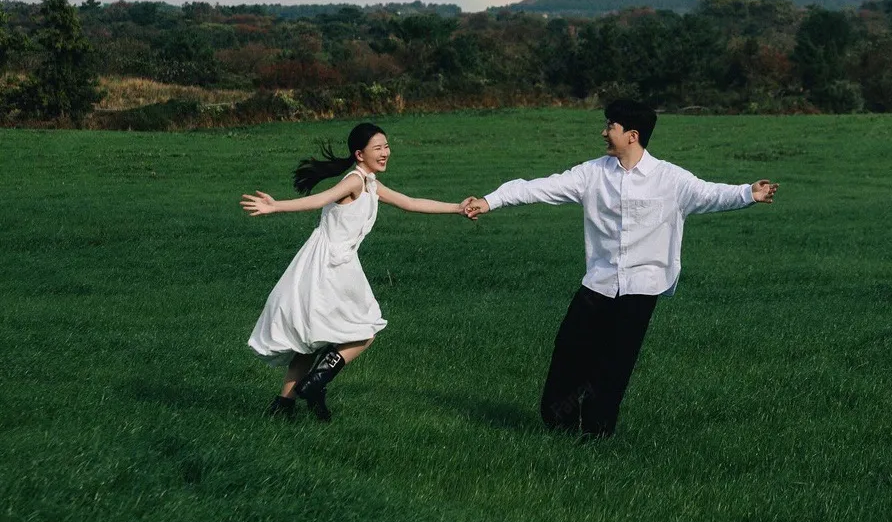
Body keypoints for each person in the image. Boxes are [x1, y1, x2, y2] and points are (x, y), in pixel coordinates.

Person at [464, 99, 778, 439]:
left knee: (616, 363)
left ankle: (597, 433)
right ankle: (558, 420)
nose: (603, 132)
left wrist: (749, 193)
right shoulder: (591, 174)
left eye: (609, 126)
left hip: (642, 287)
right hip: (598, 282)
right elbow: (537, 187)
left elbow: (710, 193)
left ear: (632, 135)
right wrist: (490, 200)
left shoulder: (670, 179)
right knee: (570, 348)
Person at [242, 122, 473, 422]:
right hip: (329, 266)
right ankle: (316, 384)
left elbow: (411, 202)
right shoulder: (354, 181)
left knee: (309, 341)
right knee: (366, 329)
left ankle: (283, 405)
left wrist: (457, 207)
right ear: (359, 154)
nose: (386, 152)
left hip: (333, 264)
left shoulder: (372, 184)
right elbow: (320, 199)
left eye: (387, 146)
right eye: (378, 148)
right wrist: (276, 207)